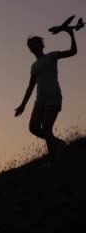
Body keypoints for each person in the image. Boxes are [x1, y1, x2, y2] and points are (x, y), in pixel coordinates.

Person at [15, 27, 77, 167]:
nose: (32, 47)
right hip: (40, 100)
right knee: (33, 128)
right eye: (30, 46)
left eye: (34, 44)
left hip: (53, 97)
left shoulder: (51, 56)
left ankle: (53, 160)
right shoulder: (34, 66)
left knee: (47, 128)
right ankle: (59, 143)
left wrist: (71, 34)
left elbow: (73, 52)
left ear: (41, 45)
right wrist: (23, 105)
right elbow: (30, 86)